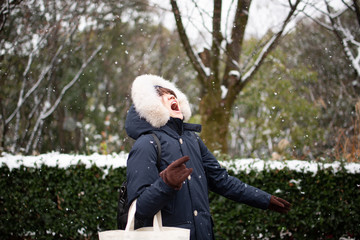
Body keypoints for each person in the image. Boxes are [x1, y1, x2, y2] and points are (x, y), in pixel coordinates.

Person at [125, 74, 291, 240]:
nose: (171, 96)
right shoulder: (146, 144)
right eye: (161, 94)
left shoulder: (193, 140)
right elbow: (139, 209)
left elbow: (222, 180)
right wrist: (165, 184)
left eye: (172, 93)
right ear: (151, 106)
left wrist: (264, 199)